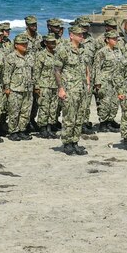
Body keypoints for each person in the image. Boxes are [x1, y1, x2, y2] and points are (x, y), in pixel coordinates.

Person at [55, 25, 91, 156]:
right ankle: (67, 143)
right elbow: (57, 70)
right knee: (69, 117)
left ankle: (75, 142)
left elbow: (86, 66)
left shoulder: (83, 49)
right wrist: (61, 88)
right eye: (79, 34)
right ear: (71, 35)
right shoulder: (63, 50)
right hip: (69, 89)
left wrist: (88, 81)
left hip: (81, 88)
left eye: (83, 35)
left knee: (79, 117)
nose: (82, 36)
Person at [3, 34, 34, 141]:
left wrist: (34, 85)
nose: (25, 45)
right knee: (14, 112)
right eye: (22, 44)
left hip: (28, 89)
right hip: (15, 89)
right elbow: (7, 74)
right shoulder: (11, 57)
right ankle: (13, 131)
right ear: (16, 45)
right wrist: (7, 87)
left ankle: (22, 130)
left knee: (26, 111)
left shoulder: (30, 56)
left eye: (26, 43)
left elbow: (32, 72)